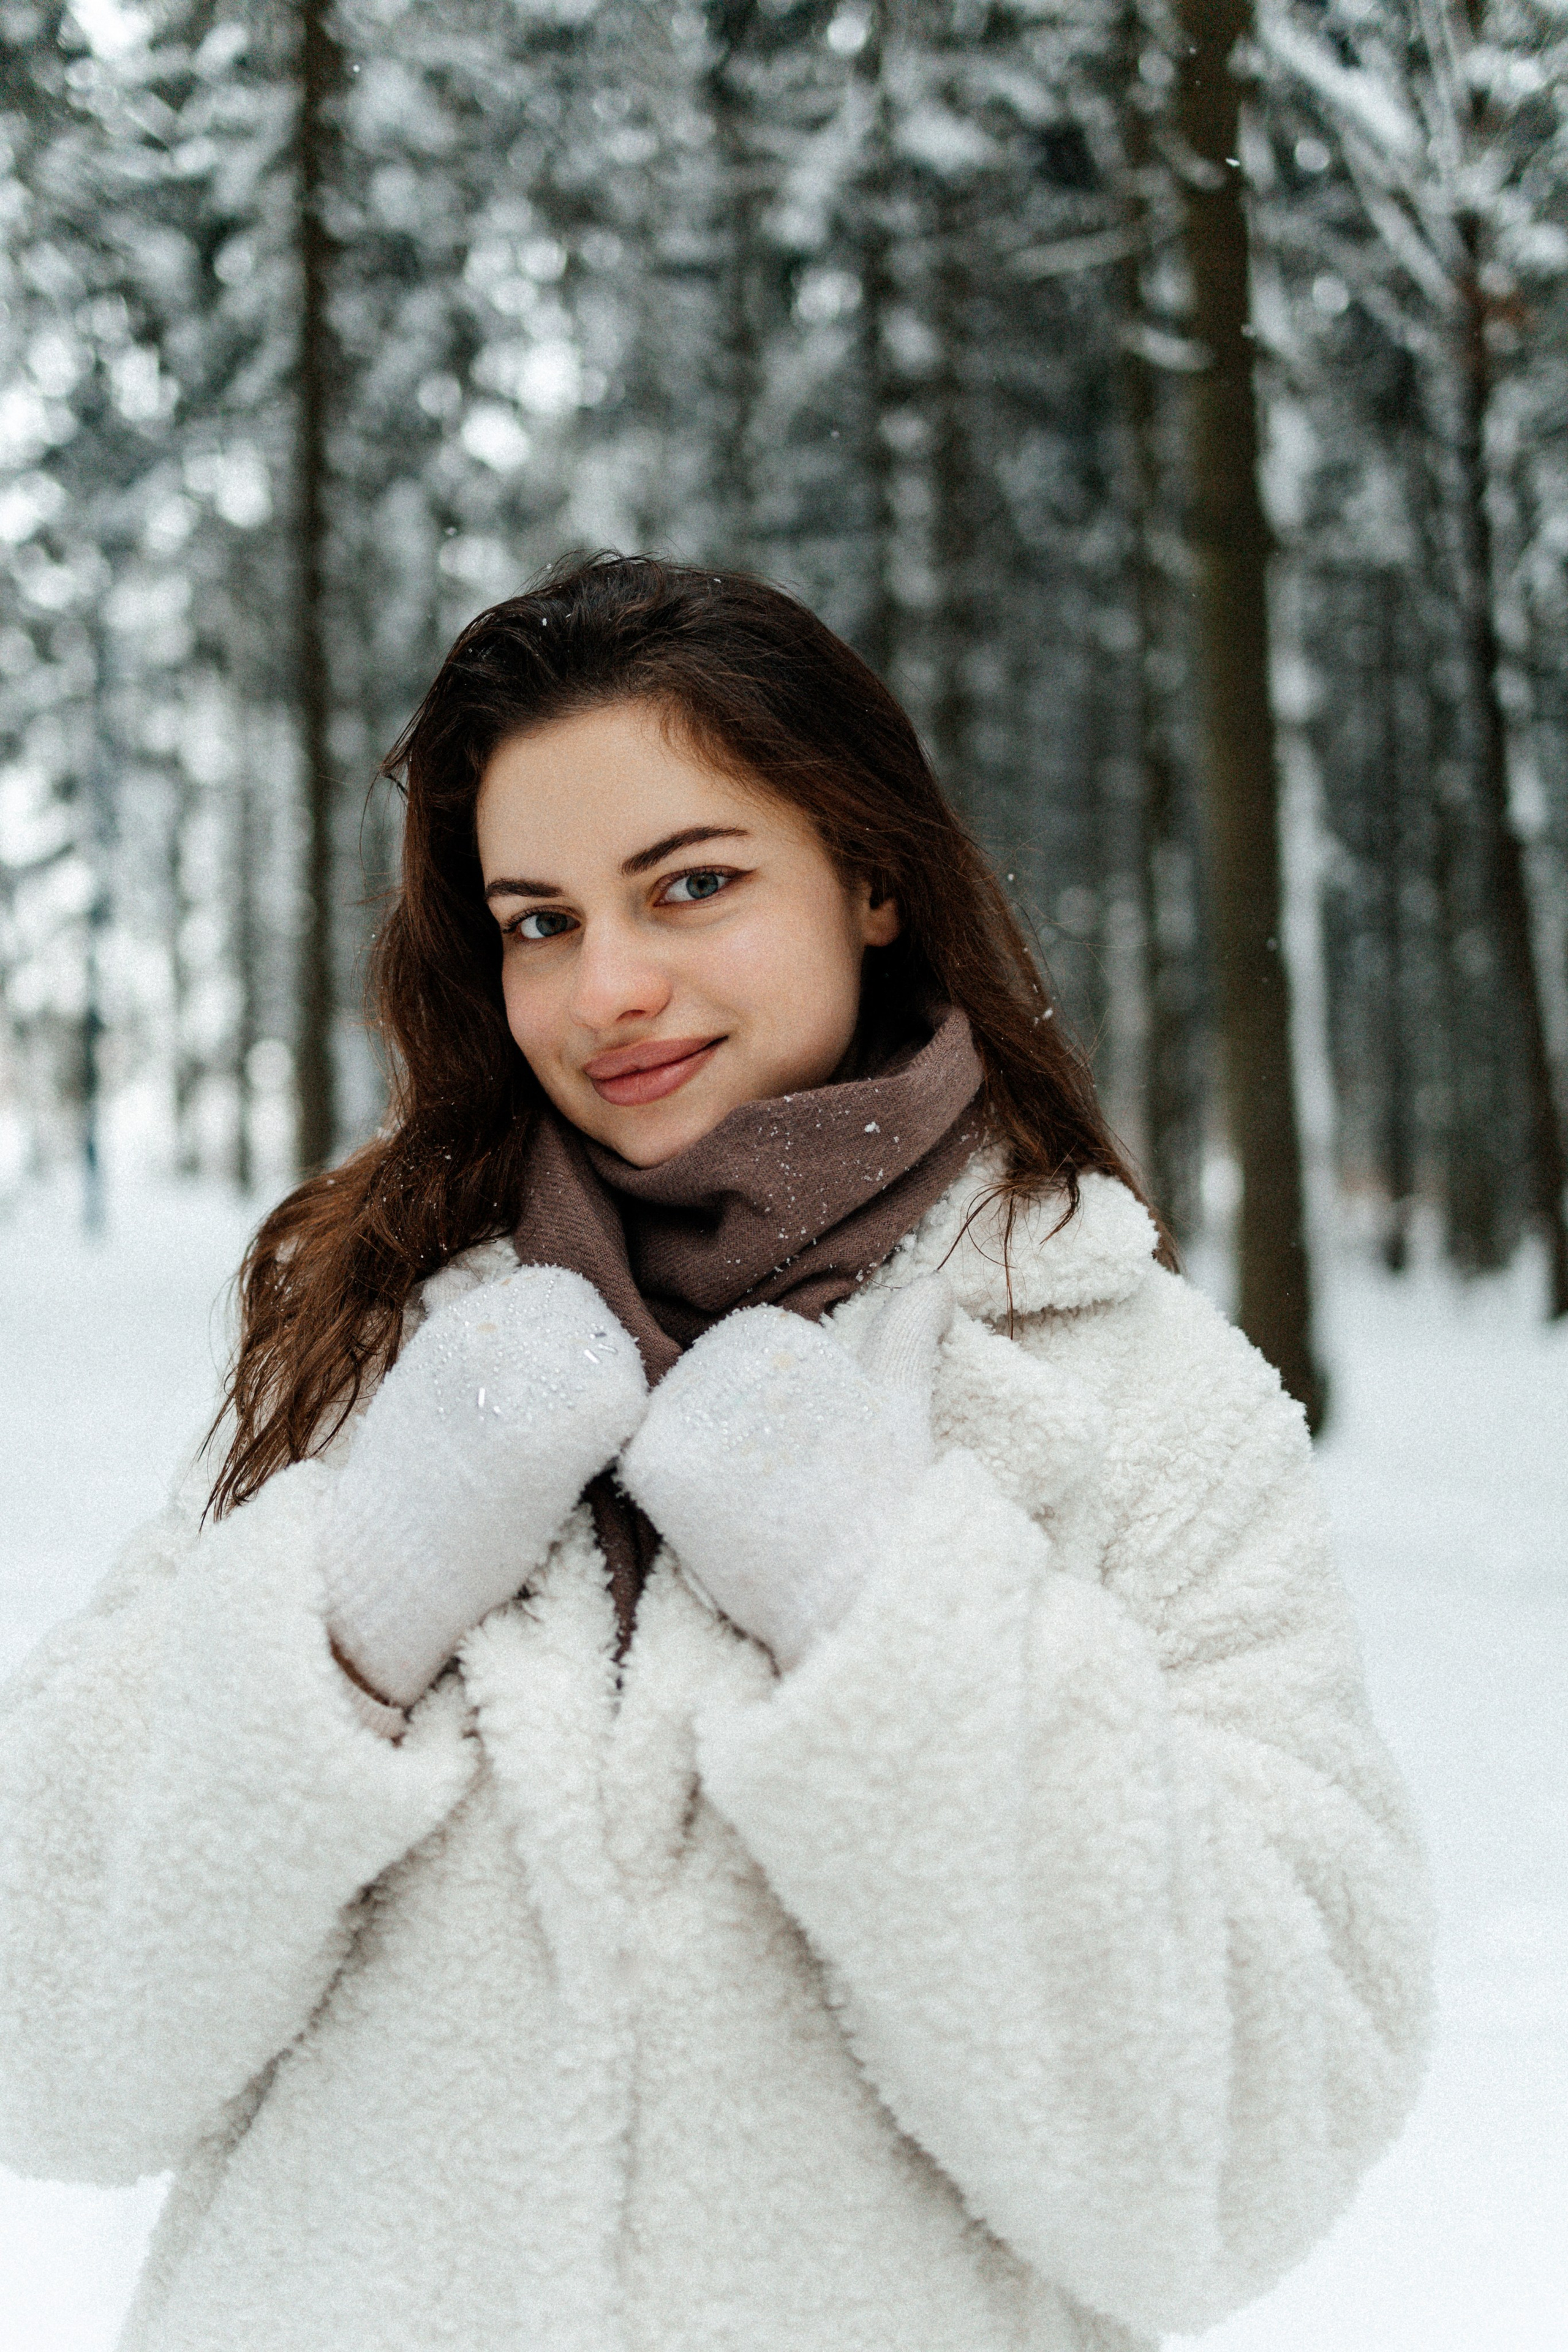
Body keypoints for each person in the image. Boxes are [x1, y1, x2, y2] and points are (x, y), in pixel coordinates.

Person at [0, 555, 1431, 2352]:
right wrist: (356, 1601)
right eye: (539, 919)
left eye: (692, 886)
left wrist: (878, 1595)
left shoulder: (1130, 1399)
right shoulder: (375, 1354)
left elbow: (1250, 2144)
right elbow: (40, 2047)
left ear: (873, 875)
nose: (610, 987)